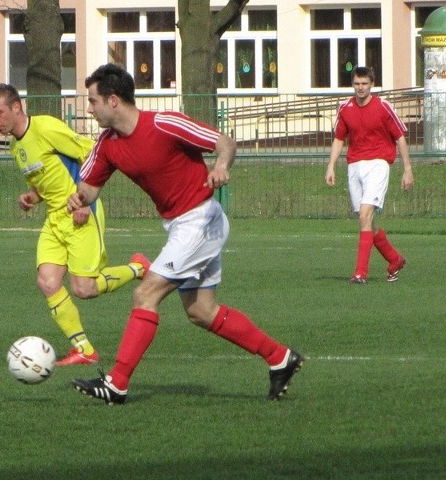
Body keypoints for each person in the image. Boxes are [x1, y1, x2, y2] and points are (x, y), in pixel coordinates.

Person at [67, 63, 304, 404]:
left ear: (113, 100)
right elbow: (89, 188)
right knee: (201, 312)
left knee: (145, 294)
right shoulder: (107, 144)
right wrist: (79, 199)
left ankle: (116, 384)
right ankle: (280, 358)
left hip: (200, 220)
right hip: (182, 225)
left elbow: (224, 142)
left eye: (92, 101)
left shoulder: (164, 123)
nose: (89, 109)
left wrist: (221, 165)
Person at [0, 83, 149, 366]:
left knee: (84, 289)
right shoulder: (16, 146)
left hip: (81, 213)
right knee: (47, 282)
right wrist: (31, 197)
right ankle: (84, 349)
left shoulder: (47, 128)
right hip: (54, 219)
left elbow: (91, 154)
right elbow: (43, 182)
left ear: (16, 107)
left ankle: (138, 268)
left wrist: (83, 200)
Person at [325, 66, 414, 284]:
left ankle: (360, 273)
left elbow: (399, 137)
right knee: (366, 221)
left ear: (372, 84)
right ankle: (394, 259)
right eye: (357, 84)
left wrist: (407, 169)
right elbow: (339, 138)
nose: (360, 88)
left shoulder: (383, 107)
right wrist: (331, 165)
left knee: (365, 215)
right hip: (355, 166)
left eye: (364, 84)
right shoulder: (345, 108)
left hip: (378, 164)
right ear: (352, 84)